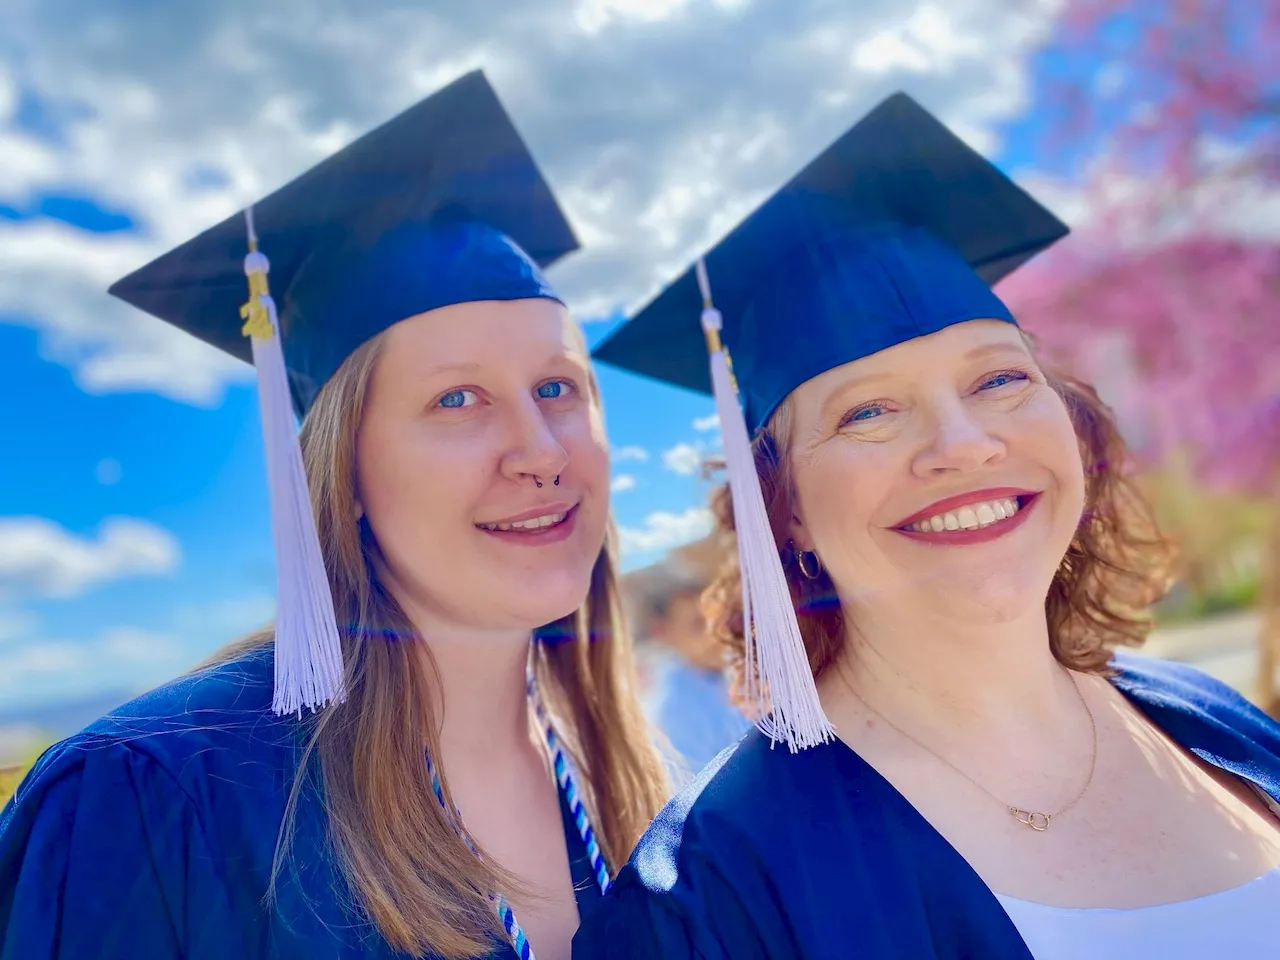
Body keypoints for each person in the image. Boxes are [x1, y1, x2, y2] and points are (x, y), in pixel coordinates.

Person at [574, 92, 1280, 959]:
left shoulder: (1212, 719)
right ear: (781, 510)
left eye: (999, 381)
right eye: (869, 411)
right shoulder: (710, 902)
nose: (965, 446)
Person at [0, 70, 668, 960]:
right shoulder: (155, 800)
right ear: (343, 472)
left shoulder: (635, 774)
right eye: (458, 399)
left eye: (558, 387)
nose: (540, 449)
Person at [633, 545, 751, 773]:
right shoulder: (674, 711)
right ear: (663, 633)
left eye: (718, 618)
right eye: (698, 625)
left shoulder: (746, 666)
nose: (717, 632)